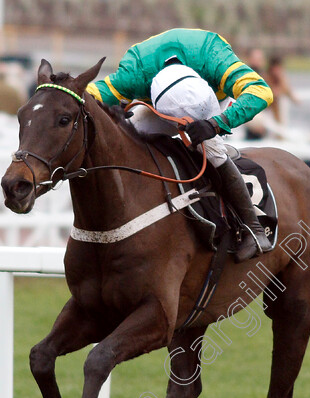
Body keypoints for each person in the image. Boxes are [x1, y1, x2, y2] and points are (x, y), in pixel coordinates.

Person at [86, 28, 274, 261]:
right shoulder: (135, 73)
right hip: (158, 104)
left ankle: (254, 229)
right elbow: (89, 94)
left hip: (209, 102)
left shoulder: (214, 57)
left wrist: (216, 123)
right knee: (128, 135)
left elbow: (261, 91)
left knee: (212, 151)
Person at [266, 56, 300, 126]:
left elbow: (287, 91)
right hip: (268, 112)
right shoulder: (266, 78)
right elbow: (275, 93)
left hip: (277, 113)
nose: (279, 70)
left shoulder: (281, 78)